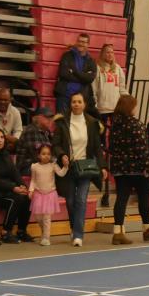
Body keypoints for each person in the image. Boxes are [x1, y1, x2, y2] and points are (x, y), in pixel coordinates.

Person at [52, 92, 108, 247]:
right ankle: (73, 227)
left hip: (85, 167)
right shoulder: (62, 122)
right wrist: (62, 154)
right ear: (70, 104)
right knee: (70, 201)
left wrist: (103, 166)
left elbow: (97, 148)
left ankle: (78, 235)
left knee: (81, 200)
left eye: (79, 102)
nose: (76, 104)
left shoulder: (92, 123)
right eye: (73, 102)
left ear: (84, 104)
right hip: (69, 167)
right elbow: (55, 144)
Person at [108, 94, 149, 245]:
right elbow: (142, 149)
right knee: (144, 198)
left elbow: (111, 148)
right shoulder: (136, 124)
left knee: (121, 199)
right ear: (130, 108)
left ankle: (118, 232)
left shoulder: (114, 125)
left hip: (120, 169)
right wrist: (146, 166)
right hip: (138, 169)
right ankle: (148, 228)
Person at [29, 144, 68, 246]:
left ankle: (46, 237)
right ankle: (43, 231)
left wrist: (65, 166)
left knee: (47, 218)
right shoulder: (34, 166)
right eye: (43, 154)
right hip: (38, 194)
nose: (46, 156)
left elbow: (61, 173)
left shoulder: (53, 165)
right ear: (38, 155)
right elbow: (33, 180)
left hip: (50, 194)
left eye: (48, 154)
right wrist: (31, 190)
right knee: (38, 217)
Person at [55, 33, 96, 114]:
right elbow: (63, 73)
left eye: (84, 42)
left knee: (78, 121)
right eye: (79, 41)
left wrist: (74, 71)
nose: (81, 44)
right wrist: (82, 77)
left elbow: (90, 79)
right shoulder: (67, 56)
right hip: (64, 96)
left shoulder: (91, 60)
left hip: (80, 99)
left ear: (88, 44)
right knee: (62, 121)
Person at [91, 43, 128, 123]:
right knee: (102, 130)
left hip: (115, 108)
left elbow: (122, 88)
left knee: (115, 130)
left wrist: (129, 100)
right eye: (107, 52)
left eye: (112, 52)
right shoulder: (97, 68)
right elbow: (94, 89)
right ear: (102, 54)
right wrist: (95, 105)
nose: (110, 54)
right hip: (102, 108)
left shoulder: (118, 68)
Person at [16, 107, 56, 175]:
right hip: (26, 167)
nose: (50, 120)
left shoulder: (46, 132)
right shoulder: (31, 131)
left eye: (51, 118)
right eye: (47, 117)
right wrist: (55, 162)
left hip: (39, 165)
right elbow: (37, 156)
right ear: (39, 118)